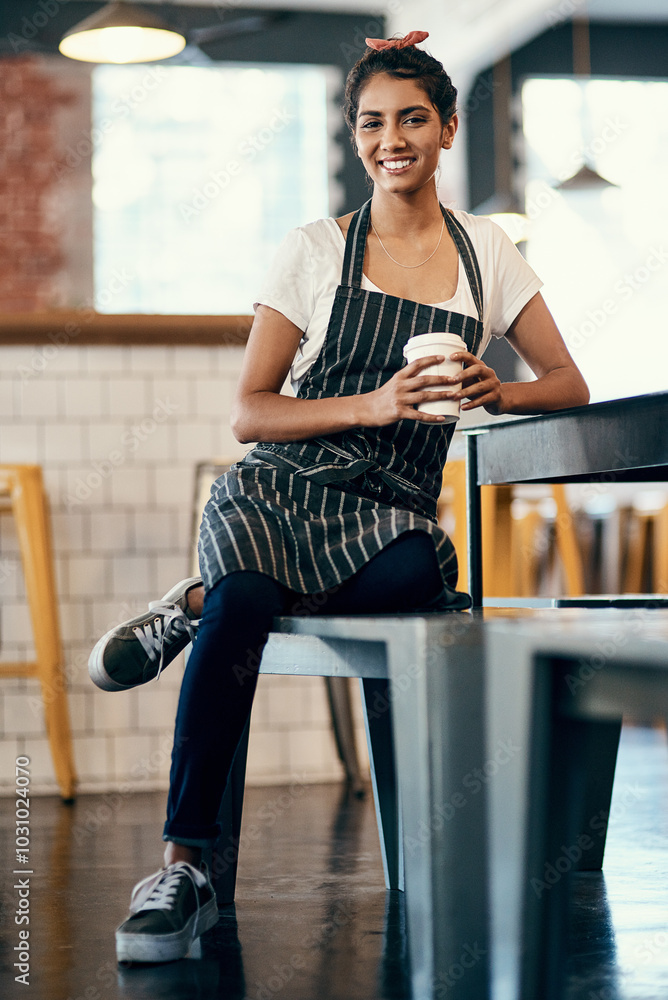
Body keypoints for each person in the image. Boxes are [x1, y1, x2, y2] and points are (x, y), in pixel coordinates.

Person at [89, 31, 589, 965]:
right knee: (246, 600)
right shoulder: (315, 248)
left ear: (445, 130)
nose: (390, 138)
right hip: (281, 492)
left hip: (391, 507)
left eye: (410, 119)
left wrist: (496, 390)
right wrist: (373, 402)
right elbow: (249, 413)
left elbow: (569, 383)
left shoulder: (488, 252)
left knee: (411, 578)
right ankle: (184, 866)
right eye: (371, 122)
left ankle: (186, 607)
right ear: (355, 136)